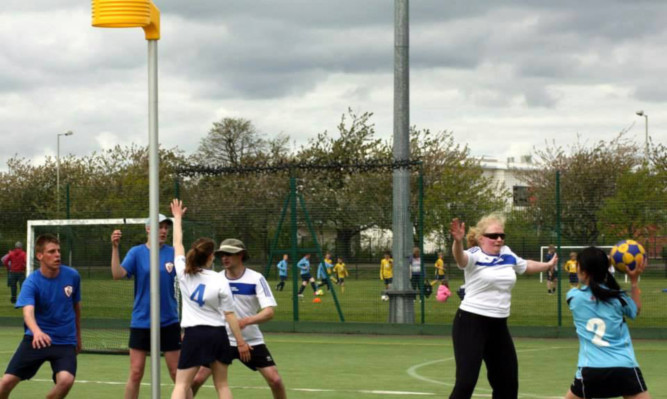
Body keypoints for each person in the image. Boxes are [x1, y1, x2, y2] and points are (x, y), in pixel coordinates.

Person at [448, 215, 558, 398]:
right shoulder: (475, 254)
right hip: (470, 323)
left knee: (507, 384)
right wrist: (457, 242)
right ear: (481, 238)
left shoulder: (507, 253)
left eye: (501, 235)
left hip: (498, 326)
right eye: (493, 235)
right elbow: (460, 259)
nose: (498, 239)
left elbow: (525, 266)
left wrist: (547, 265)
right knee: (465, 383)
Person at [168, 200, 250, 399]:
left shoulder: (183, 273)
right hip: (217, 335)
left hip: (194, 335)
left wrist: (177, 218)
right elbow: (229, 314)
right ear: (211, 257)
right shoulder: (220, 280)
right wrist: (240, 342)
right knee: (222, 385)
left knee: (181, 385)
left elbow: (177, 243)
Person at [190, 237, 286, 399]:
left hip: (251, 341)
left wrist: (246, 321)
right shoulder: (215, 279)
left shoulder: (256, 278)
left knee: (275, 380)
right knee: (196, 380)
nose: (224, 258)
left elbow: (269, 312)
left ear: (241, 255)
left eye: (229, 254)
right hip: (220, 340)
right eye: (221, 254)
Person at [0, 234, 81, 399]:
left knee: (66, 380)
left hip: (64, 340)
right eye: (51, 251)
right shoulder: (32, 282)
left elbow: (76, 307)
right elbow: (27, 311)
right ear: (40, 256)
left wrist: (78, 336)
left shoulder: (72, 276)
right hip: (36, 339)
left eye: (58, 251)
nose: (57, 255)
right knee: (5, 383)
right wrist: (37, 331)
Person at [110, 213, 182, 399]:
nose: (164, 230)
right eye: (160, 226)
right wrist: (115, 248)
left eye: (167, 227)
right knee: (135, 373)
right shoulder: (136, 252)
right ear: (148, 229)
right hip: (142, 320)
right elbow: (118, 274)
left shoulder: (173, 253)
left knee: (178, 374)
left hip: (169, 321)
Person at [564, 247, 651, 399]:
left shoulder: (573, 297)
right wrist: (634, 282)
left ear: (583, 272)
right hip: (624, 367)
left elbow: (588, 290)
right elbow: (635, 310)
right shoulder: (618, 298)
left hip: (590, 369)